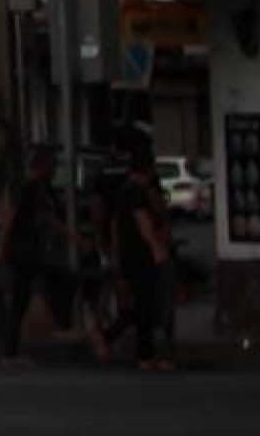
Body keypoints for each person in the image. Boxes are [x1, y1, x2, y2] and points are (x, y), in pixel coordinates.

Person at [93, 147, 176, 372]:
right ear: (148, 169)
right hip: (141, 257)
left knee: (141, 307)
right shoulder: (135, 192)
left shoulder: (126, 191)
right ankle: (143, 354)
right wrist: (156, 247)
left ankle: (124, 344)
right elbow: (143, 222)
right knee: (147, 306)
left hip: (132, 256)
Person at [0, 144, 74, 359]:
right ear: (43, 166)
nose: (54, 171)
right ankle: (10, 351)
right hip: (22, 250)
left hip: (31, 249)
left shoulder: (41, 189)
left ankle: (12, 350)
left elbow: (47, 219)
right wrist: (1, 247)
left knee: (25, 296)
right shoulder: (28, 188)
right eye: (52, 166)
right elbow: (11, 218)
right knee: (22, 297)